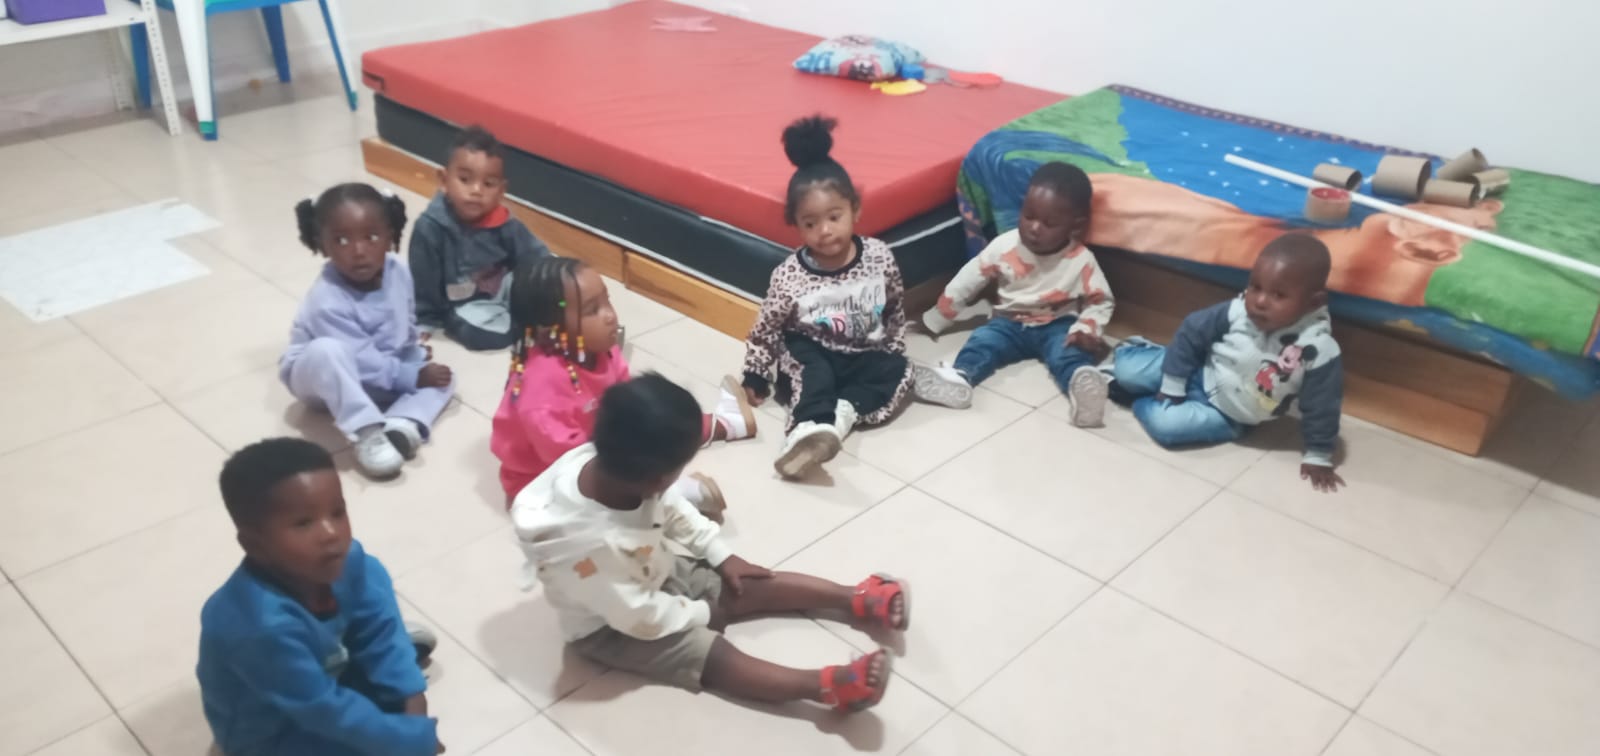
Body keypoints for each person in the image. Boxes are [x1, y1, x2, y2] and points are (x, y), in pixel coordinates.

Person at [513, 373, 908, 712]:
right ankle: (828, 686)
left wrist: (720, 554)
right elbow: (640, 616)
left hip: (645, 566)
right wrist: (700, 613)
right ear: (656, 478)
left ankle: (856, 597)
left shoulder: (614, 466)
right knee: (711, 655)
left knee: (748, 583)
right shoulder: (585, 549)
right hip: (613, 626)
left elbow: (669, 506)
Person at [198, 438, 445, 756]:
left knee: (391, 673)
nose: (331, 533)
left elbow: (380, 628)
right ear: (254, 544)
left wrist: (411, 699)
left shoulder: (352, 563)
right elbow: (324, 711)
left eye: (337, 512)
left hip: (323, 678)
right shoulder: (257, 626)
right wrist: (411, 740)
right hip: (274, 729)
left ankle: (343, 658)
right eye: (304, 523)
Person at [741, 115, 947, 480]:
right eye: (810, 223)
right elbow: (767, 327)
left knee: (898, 370)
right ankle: (806, 429)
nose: (824, 230)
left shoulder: (879, 256)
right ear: (796, 225)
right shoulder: (790, 275)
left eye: (834, 217)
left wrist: (892, 348)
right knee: (815, 374)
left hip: (862, 351)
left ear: (855, 209)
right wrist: (755, 373)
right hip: (811, 350)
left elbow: (894, 307)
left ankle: (841, 415)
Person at [491, 256, 756, 517]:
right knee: (620, 493)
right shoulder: (541, 393)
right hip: (544, 479)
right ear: (548, 330)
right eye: (592, 310)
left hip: (603, 442)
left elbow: (630, 409)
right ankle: (673, 495)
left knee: (667, 419)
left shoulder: (601, 349)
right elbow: (570, 465)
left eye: (607, 300)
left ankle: (729, 423)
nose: (609, 316)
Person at [1111, 233, 1347, 492]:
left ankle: (1131, 396)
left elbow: (1323, 405)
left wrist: (1318, 454)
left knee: (1166, 427)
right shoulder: (1237, 310)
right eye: (1255, 287)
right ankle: (1137, 357)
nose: (1260, 301)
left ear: (1313, 302)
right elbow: (1192, 330)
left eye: (1278, 295)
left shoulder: (1318, 350)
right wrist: (1173, 386)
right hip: (1199, 371)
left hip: (1228, 415)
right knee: (1126, 370)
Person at [918, 162, 1114, 427]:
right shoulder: (1004, 245)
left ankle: (1084, 392)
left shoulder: (1081, 260)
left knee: (1068, 354)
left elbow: (1101, 300)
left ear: (1075, 227)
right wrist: (938, 316)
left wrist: (1087, 330)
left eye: (1049, 223)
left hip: (1058, 324)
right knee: (982, 342)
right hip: (1008, 322)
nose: (1034, 228)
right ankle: (960, 378)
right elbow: (969, 280)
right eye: (1029, 216)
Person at [282, 183, 454, 479]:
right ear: (322, 244)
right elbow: (360, 359)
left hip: (381, 368)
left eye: (372, 237)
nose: (359, 251)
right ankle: (367, 431)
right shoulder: (326, 300)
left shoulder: (398, 270)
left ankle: (403, 424)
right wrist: (408, 376)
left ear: (390, 236)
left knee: (445, 378)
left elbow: (405, 315)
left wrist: (412, 348)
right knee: (328, 351)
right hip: (323, 379)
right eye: (341, 240)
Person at [410, 125, 553, 350]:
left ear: (501, 191)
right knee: (478, 335)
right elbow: (423, 281)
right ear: (444, 181)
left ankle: (531, 322)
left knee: (550, 292)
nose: (476, 190)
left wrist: (555, 280)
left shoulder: (504, 223)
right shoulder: (430, 228)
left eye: (488, 184)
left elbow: (534, 256)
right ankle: (521, 327)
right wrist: (425, 319)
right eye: (465, 179)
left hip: (503, 290)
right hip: (463, 303)